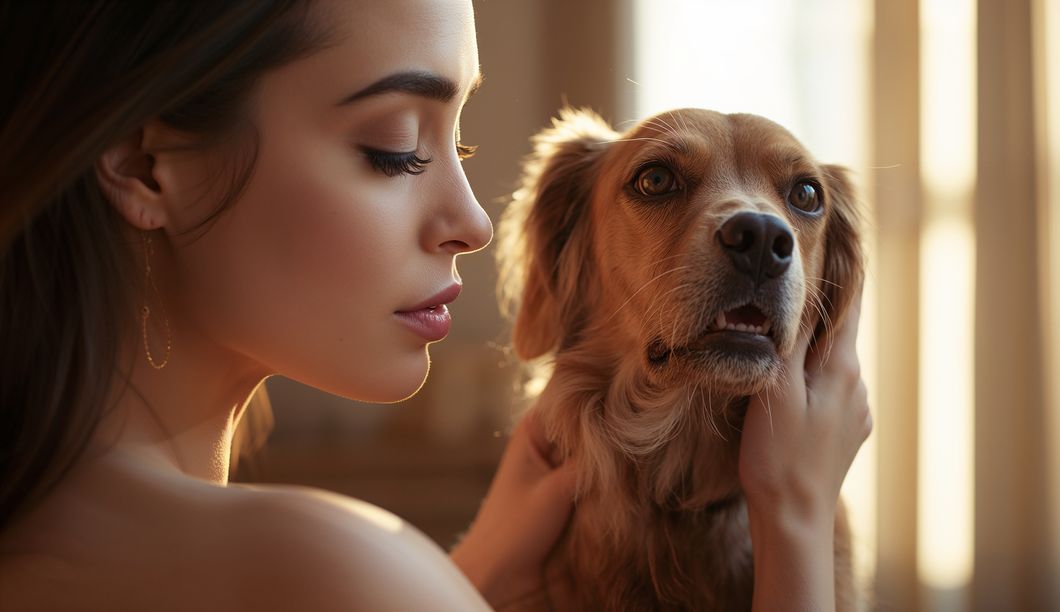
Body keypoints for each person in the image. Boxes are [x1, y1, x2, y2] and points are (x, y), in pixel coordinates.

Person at [0, 1, 871, 610]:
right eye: (393, 149)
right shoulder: (333, 566)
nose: (474, 223)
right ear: (150, 167)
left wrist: (476, 570)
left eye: (457, 141)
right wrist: (794, 523)